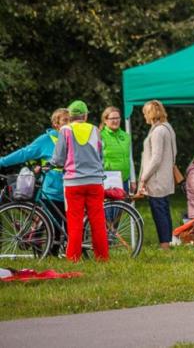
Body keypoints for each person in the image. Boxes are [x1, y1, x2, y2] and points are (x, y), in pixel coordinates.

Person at [51, 100, 109, 262]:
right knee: (98, 221)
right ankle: (102, 257)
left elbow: (58, 158)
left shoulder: (65, 130)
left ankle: (73, 258)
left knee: (74, 222)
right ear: (86, 115)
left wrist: (54, 164)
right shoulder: (95, 130)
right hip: (95, 182)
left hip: (73, 183)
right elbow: (100, 155)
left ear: (70, 115)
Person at [0, 108, 69, 219]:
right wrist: (2, 162)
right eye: (65, 120)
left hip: (71, 190)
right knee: (55, 230)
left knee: (70, 229)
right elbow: (24, 153)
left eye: (70, 120)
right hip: (52, 192)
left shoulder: (73, 139)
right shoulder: (46, 140)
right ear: (56, 124)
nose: (68, 123)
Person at [138, 100, 177, 250]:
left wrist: (144, 177)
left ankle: (165, 245)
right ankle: (167, 242)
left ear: (150, 114)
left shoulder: (158, 131)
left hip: (156, 178)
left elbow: (156, 158)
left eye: (145, 113)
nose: (144, 117)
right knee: (164, 210)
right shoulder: (167, 128)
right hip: (165, 176)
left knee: (159, 211)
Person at [99, 106, 133, 193]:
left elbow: (130, 158)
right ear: (105, 121)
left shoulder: (125, 136)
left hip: (125, 179)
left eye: (118, 118)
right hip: (109, 179)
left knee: (124, 206)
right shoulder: (100, 136)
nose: (116, 120)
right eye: (112, 118)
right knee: (111, 206)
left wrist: (133, 179)